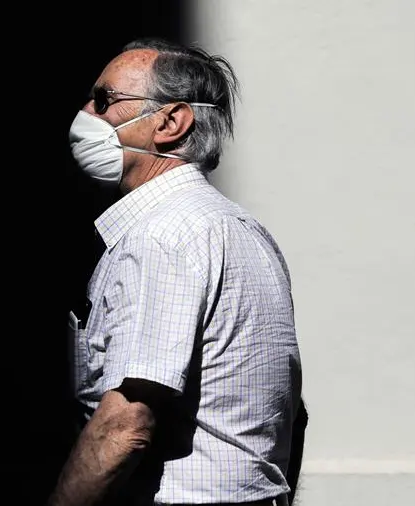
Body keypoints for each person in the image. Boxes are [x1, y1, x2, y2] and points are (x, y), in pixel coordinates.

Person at [48, 38, 304, 506]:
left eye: (104, 100)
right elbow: (292, 415)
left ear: (170, 122)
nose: (86, 113)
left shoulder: (161, 237)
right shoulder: (242, 230)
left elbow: (125, 425)